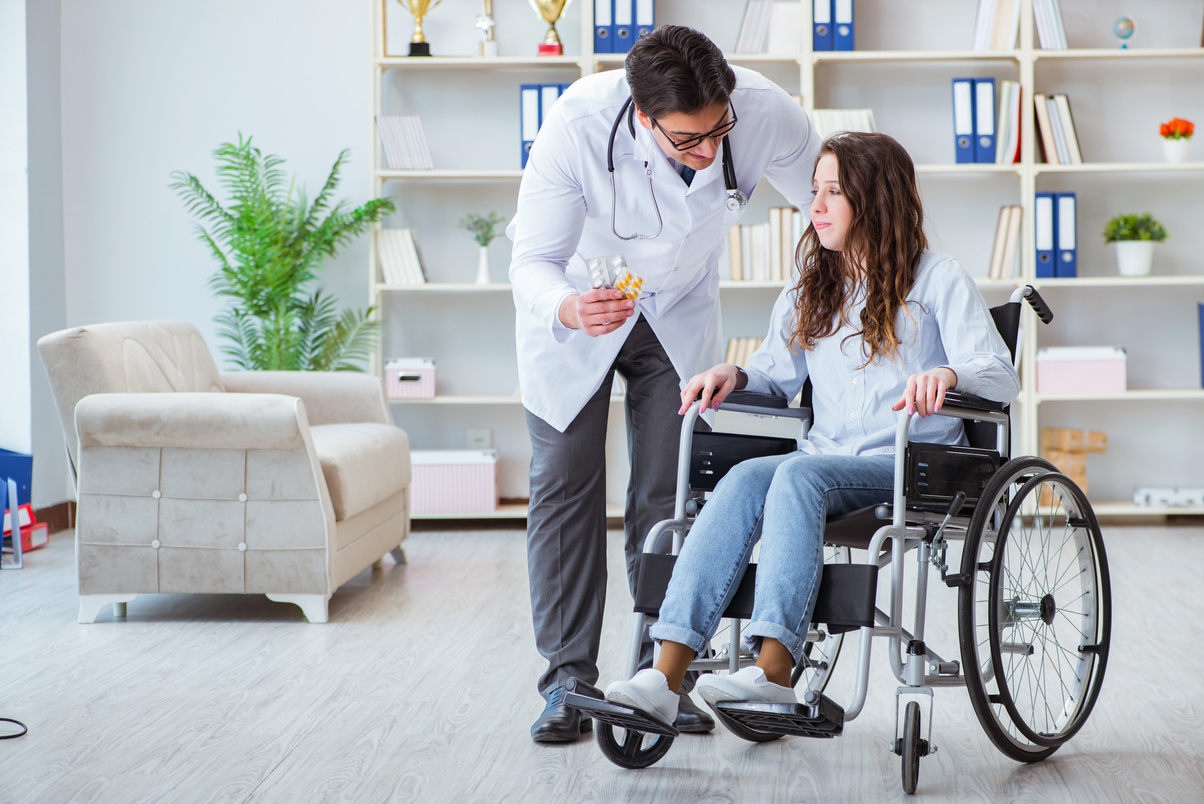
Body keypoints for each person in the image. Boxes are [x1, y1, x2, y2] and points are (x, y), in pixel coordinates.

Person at [603, 132, 1021, 728]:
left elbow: (1000, 375)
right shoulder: (812, 285)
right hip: (828, 460)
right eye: (814, 192)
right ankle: (664, 677)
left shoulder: (936, 279)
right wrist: (734, 371)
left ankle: (773, 673)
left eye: (833, 193)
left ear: (874, 202)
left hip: (910, 465)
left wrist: (949, 373)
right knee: (747, 477)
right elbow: (774, 376)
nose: (816, 206)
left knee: (799, 474)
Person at [508, 25, 822, 743]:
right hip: (581, 304)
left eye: (718, 132)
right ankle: (568, 681)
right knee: (565, 483)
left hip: (676, 313)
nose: (708, 150)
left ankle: (659, 675)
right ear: (644, 116)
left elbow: (838, 211)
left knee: (668, 494)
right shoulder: (579, 123)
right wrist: (567, 306)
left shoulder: (762, 110)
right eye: (687, 140)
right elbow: (532, 259)